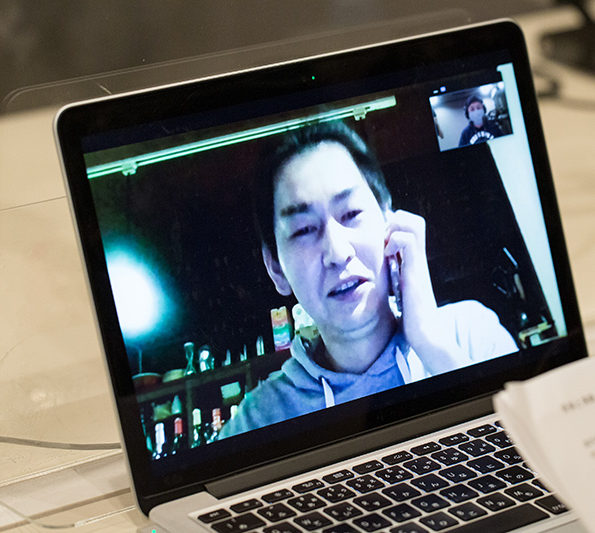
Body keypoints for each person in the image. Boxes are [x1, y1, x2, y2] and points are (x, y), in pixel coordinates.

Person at [219, 121, 517, 438]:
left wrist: (433, 345)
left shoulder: (472, 335)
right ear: (276, 269)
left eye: (351, 213)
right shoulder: (258, 422)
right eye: (304, 229)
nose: (337, 252)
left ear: (390, 223)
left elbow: (539, 454)